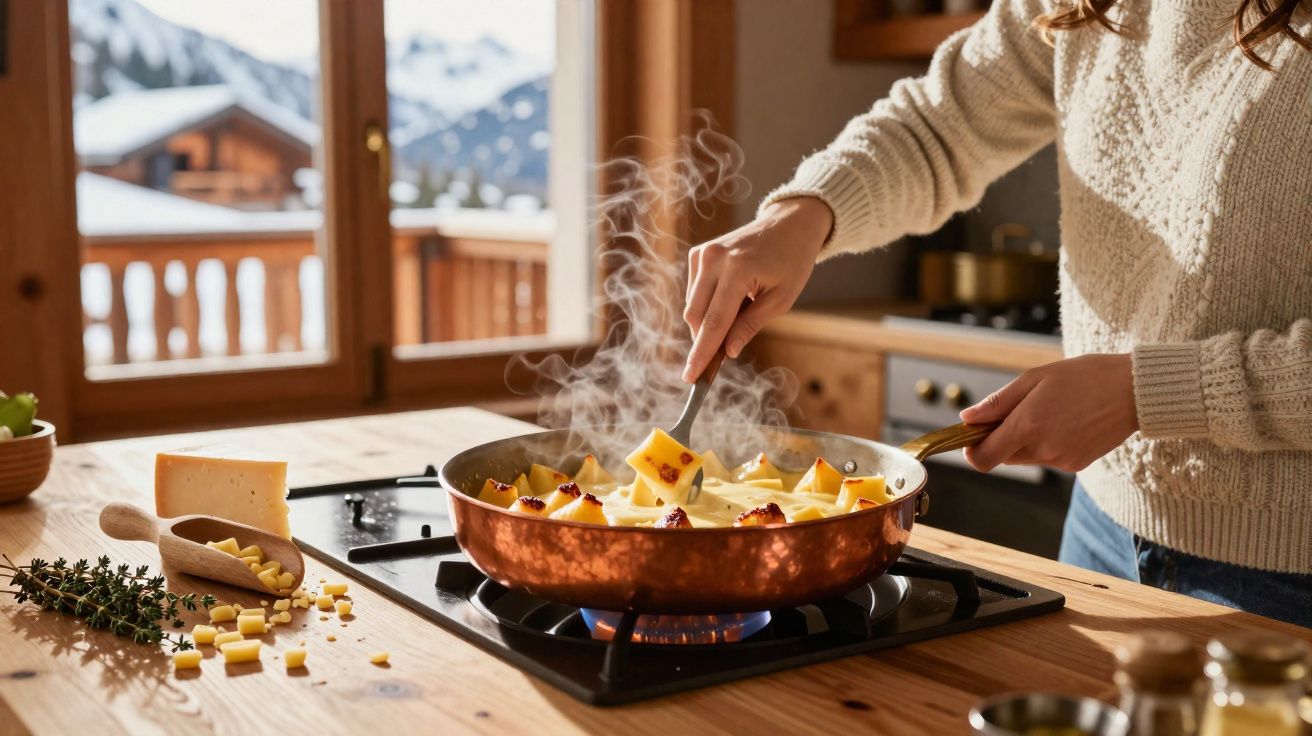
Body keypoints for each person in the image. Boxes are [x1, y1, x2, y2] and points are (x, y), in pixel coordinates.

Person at [681, 0, 1312, 626]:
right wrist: (801, 216)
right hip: (1100, 525)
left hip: (1286, 573)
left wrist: (1145, 394)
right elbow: (938, 126)